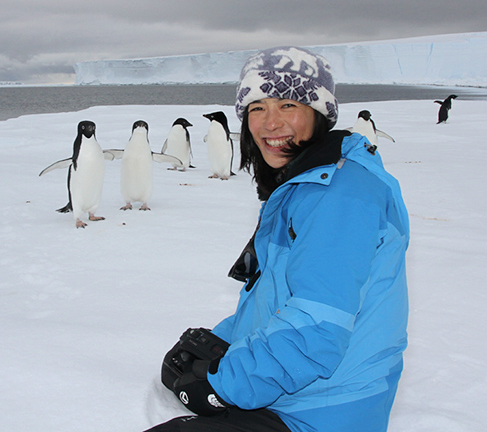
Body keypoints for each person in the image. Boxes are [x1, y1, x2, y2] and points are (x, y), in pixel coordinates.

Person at [146, 47, 410, 432]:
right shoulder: (307, 185)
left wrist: (221, 385)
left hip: (322, 413)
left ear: (318, 114)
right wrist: (219, 341)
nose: (270, 123)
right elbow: (278, 299)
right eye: (257, 108)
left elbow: (316, 332)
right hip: (299, 396)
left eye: (287, 105)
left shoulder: (340, 196)